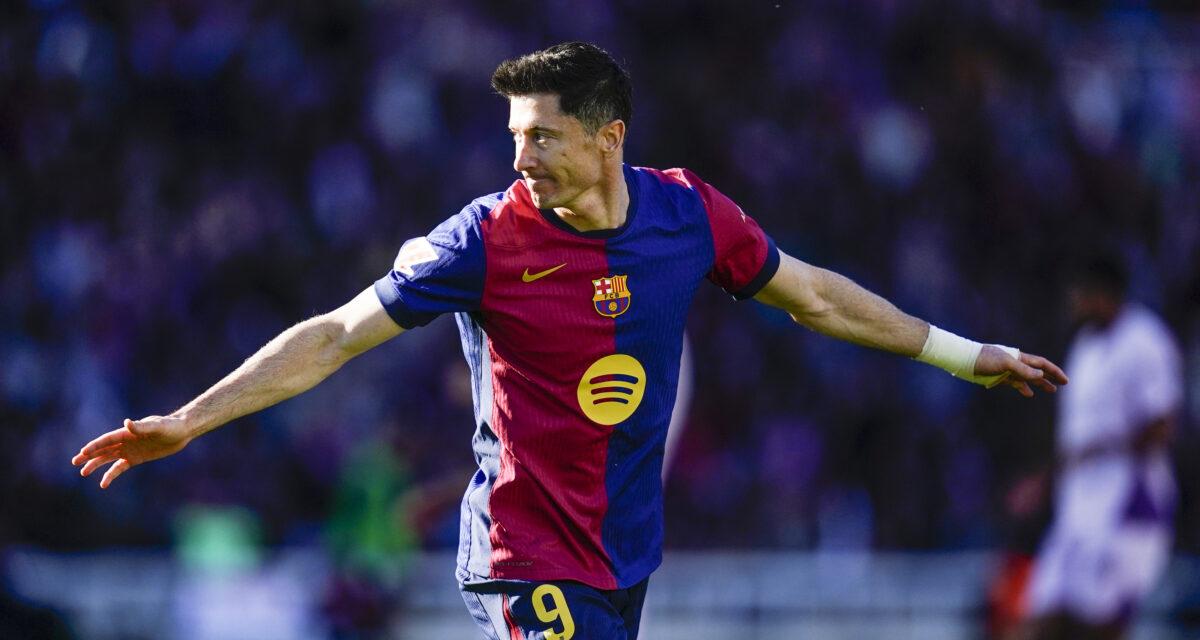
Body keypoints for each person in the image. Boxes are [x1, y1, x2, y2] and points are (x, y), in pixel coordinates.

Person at [73, 42, 1067, 639]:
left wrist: (963, 354)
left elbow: (812, 296)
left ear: (608, 137)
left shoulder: (688, 217)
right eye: (515, 136)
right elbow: (335, 334)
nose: (522, 158)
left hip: (623, 559)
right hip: (523, 551)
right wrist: (189, 421)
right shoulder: (481, 240)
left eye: (542, 136)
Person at [1024, 255, 1182, 640]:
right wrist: (1046, 479)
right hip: (1079, 503)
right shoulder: (1085, 346)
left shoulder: (1145, 339)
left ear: (1103, 294)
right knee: (1044, 615)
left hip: (1128, 502)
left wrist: (1103, 449)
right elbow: (1076, 435)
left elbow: (1163, 425)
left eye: (1079, 292)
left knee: (1100, 622)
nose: (1073, 301)